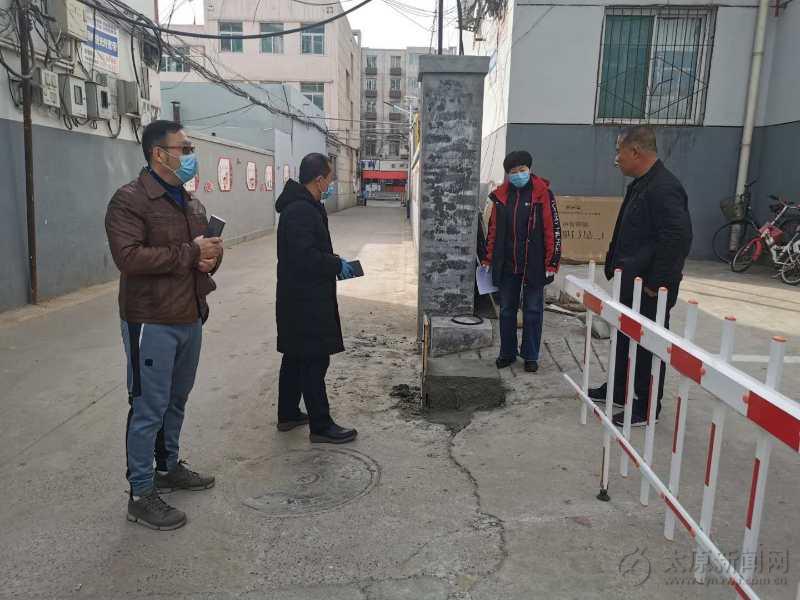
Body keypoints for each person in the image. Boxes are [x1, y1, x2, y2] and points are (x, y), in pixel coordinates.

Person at [105, 120, 223, 530]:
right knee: (148, 406)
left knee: (176, 400)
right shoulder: (130, 200)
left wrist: (211, 257)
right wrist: (190, 253)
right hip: (150, 320)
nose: (191, 156)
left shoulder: (190, 202)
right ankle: (140, 493)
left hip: (189, 315)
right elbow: (129, 258)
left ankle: (167, 467)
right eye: (184, 149)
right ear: (159, 153)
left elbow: (202, 252)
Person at [589, 126, 693, 427]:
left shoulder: (664, 187)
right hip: (630, 281)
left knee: (649, 345)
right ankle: (620, 389)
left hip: (649, 288)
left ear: (635, 151)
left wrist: (656, 284)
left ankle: (646, 406)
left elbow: (678, 237)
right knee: (624, 337)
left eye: (619, 151)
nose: (616, 159)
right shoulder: (642, 184)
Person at [275, 153, 358, 444]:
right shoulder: (300, 210)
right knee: (314, 359)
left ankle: (287, 414)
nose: (331, 184)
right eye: (330, 179)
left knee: (295, 355)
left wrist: (333, 262)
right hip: (305, 300)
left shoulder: (306, 206)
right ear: (319, 179)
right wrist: (335, 264)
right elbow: (305, 257)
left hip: (300, 296)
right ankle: (321, 426)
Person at [481, 151, 562, 372]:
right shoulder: (501, 197)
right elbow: (493, 231)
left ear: (529, 169)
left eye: (522, 170)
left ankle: (530, 355)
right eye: (513, 171)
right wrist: (488, 258)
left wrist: (552, 261)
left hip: (534, 264)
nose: (518, 175)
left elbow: (552, 229)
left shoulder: (543, 194)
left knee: (533, 310)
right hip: (508, 265)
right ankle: (507, 353)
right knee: (507, 310)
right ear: (508, 174)